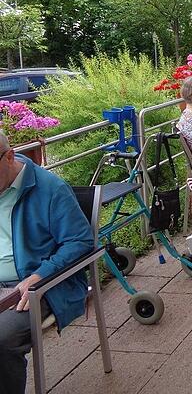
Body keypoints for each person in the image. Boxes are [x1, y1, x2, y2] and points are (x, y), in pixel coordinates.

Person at [0, 130, 94, 394]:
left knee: (1, 339)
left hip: (39, 286)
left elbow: (80, 241)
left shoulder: (50, 189)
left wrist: (40, 276)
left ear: (9, 157)